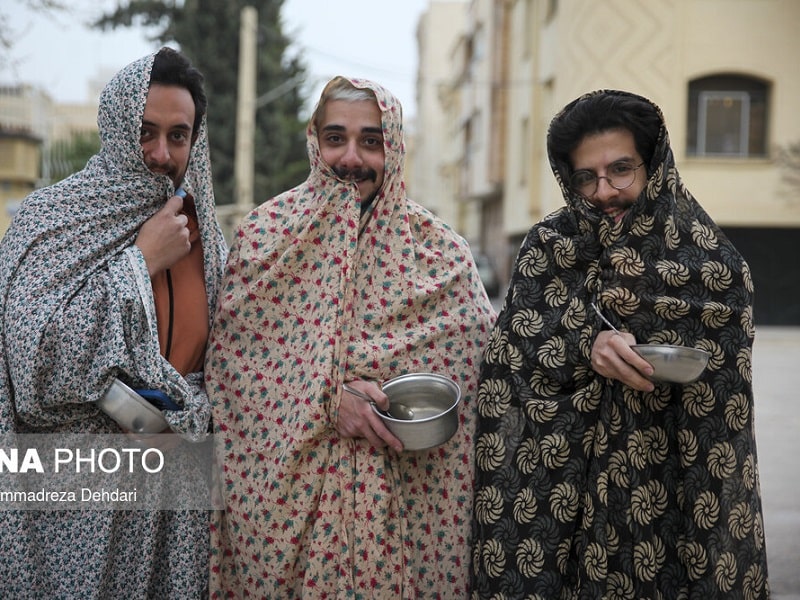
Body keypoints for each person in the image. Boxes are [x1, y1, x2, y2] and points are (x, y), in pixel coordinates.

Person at [471, 90, 769, 598]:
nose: (603, 191)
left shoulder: (711, 262)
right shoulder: (548, 247)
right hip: (552, 513)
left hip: (667, 509)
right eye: (585, 177)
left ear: (655, 167)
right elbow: (508, 358)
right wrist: (585, 342)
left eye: (621, 169)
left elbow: (724, 405)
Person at [205, 76, 496, 597]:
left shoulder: (441, 253)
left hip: (410, 506)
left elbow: (478, 379)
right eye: (335, 138)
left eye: (372, 141)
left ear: (395, 147)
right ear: (314, 140)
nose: (352, 158)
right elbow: (233, 375)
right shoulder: (266, 235)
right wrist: (326, 401)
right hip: (288, 511)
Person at [0, 47, 227, 597]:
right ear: (117, 127)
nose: (161, 153)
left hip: (175, 503)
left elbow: (226, 368)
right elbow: (35, 364)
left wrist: (187, 417)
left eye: (178, 135)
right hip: (74, 505)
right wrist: (140, 263)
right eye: (146, 131)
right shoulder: (52, 220)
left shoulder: (209, 243)